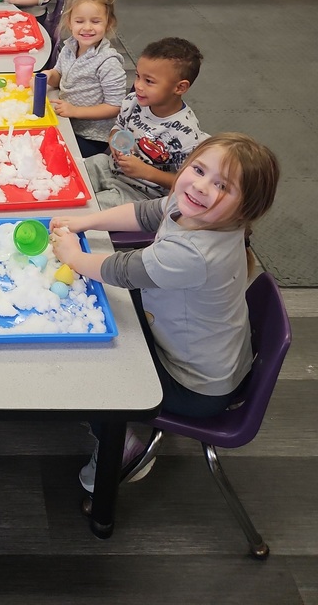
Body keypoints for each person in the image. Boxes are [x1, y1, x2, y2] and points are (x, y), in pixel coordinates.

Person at [49, 132, 280, 492]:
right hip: (199, 350)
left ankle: (120, 450)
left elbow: (123, 271)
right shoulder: (193, 207)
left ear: (245, 208)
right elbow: (144, 212)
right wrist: (85, 222)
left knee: (86, 359)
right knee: (97, 313)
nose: (200, 186)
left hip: (195, 387)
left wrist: (73, 256)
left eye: (222, 185)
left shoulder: (194, 253)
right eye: (198, 169)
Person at [85, 37, 205, 209]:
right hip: (111, 167)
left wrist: (147, 172)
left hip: (143, 194)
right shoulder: (133, 101)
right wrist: (114, 140)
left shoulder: (186, 133)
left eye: (149, 81)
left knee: (90, 209)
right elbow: (118, 127)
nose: (138, 86)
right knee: (73, 173)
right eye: (138, 76)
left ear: (180, 88)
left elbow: (186, 182)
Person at [45, 0, 127, 158]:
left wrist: (75, 111)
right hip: (67, 120)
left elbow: (115, 106)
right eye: (80, 21)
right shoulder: (69, 47)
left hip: (91, 136)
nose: (87, 27)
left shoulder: (108, 62)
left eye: (95, 21)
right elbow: (59, 75)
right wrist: (49, 75)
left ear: (108, 23)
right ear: (70, 22)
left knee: (53, 157)